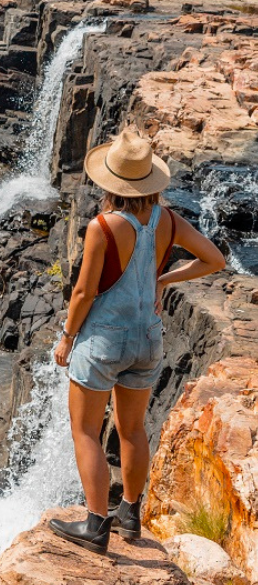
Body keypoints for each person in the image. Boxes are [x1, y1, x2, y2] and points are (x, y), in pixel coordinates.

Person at [51, 128, 226, 554]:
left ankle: (95, 524)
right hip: (148, 338)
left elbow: (83, 292)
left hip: (103, 342)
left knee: (86, 430)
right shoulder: (168, 219)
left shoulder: (103, 227)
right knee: (132, 428)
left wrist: (67, 337)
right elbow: (214, 259)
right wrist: (162, 278)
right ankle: (130, 513)